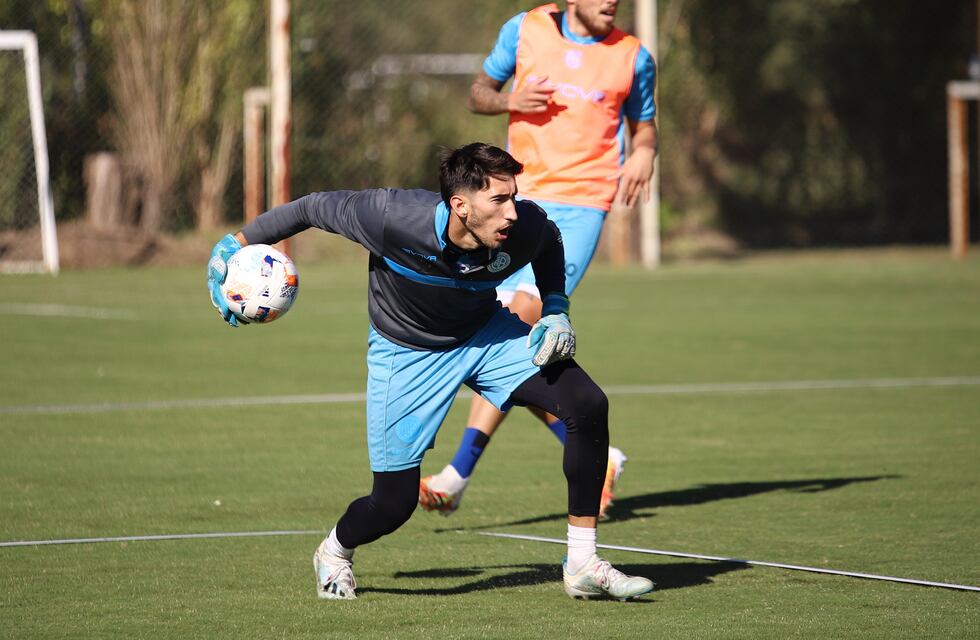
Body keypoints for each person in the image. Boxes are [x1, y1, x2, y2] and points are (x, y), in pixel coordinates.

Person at [206, 143, 654, 601]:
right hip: (406, 353)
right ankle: (335, 551)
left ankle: (581, 563)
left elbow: (549, 240)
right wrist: (233, 244)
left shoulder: (523, 226)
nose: (512, 212)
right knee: (393, 503)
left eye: (513, 196)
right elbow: (310, 208)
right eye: (498, 200)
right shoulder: (390, 216)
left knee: (586, 403)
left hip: (485, 334)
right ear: (460, 206)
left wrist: (556, 307)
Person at [419, 0, 657, 520]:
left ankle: (457, 474)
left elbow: (644, 127)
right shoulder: (524, 30)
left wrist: (643, 151)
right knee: (502, 339)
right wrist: (509, 99)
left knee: (521, 319)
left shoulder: (633, 56)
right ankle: (603, 454)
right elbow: (478, 94)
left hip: (582, 207)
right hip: (516, 202)